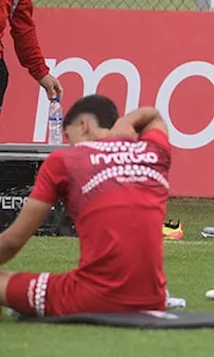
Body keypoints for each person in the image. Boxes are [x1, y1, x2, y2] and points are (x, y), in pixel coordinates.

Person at [0, 95, 171, 317]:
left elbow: (12, 242)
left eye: (69, 137)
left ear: (84, 126)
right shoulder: (153, 151)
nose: (69, 145)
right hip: (152, 299)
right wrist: (129, 120)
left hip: (91, 297)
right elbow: (154, 116)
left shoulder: (65, 160)